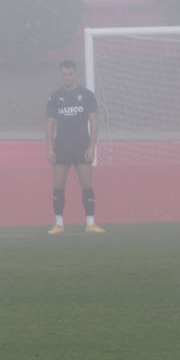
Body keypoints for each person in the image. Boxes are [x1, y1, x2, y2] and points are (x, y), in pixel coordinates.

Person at [45, 60, 103, 234]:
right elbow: (50, 124)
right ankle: (59, 223)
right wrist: (50, 148)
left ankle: (90, 223)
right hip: (62, 147)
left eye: (70, 74)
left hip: (81, 146)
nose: (67, 77)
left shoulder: (87, 95)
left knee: (86, 184)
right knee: (58, 184)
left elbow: (94, 122)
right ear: (61, 75)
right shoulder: (55, 97)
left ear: (75, 74)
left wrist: (92, 147)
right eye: (64, 74)